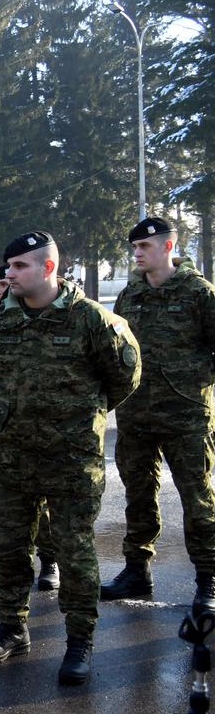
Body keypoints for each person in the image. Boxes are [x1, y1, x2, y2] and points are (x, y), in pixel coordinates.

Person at [0, 231, 140, 685]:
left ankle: (79, 641)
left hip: (70, 459)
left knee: (75, 550)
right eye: (8, 266)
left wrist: (78, 415)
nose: (10, 274)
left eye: (20, 266)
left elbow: (124, 377)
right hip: (10, 456)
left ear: (49, 268)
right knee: (8, 547)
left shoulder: (92, 321)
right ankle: (12, 627)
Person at [103, 217, 215, 616]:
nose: (136, 253)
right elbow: (118, 349)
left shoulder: (199, 293)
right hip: (135, 415)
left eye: (144, 247)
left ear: (168, 246)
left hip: (186, 416)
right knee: (137, 495)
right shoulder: (130, 294)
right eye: (134, 247)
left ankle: (208, 580)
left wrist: (194, 385)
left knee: (197, 499)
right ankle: (137, 570)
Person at [0, 267, 60, 589]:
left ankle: (49, 560)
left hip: (44, 429)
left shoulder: (42, 317)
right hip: (1, 426)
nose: (1, 289)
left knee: (42, 500)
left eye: (6, 283)